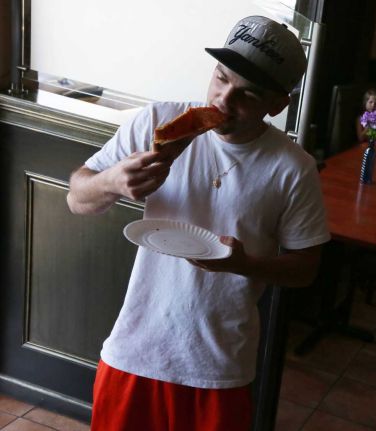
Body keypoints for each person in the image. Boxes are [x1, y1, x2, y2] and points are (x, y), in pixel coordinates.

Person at [66, 16, 330, 430]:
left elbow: (306, 269)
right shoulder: (157, 122)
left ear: (278, 105)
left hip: (219, 370)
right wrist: (113, 181)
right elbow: (76, 197)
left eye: (247, 94)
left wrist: (244, 264)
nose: (224, 100)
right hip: (133, 353)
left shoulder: (294, 168)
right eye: (221, 78)